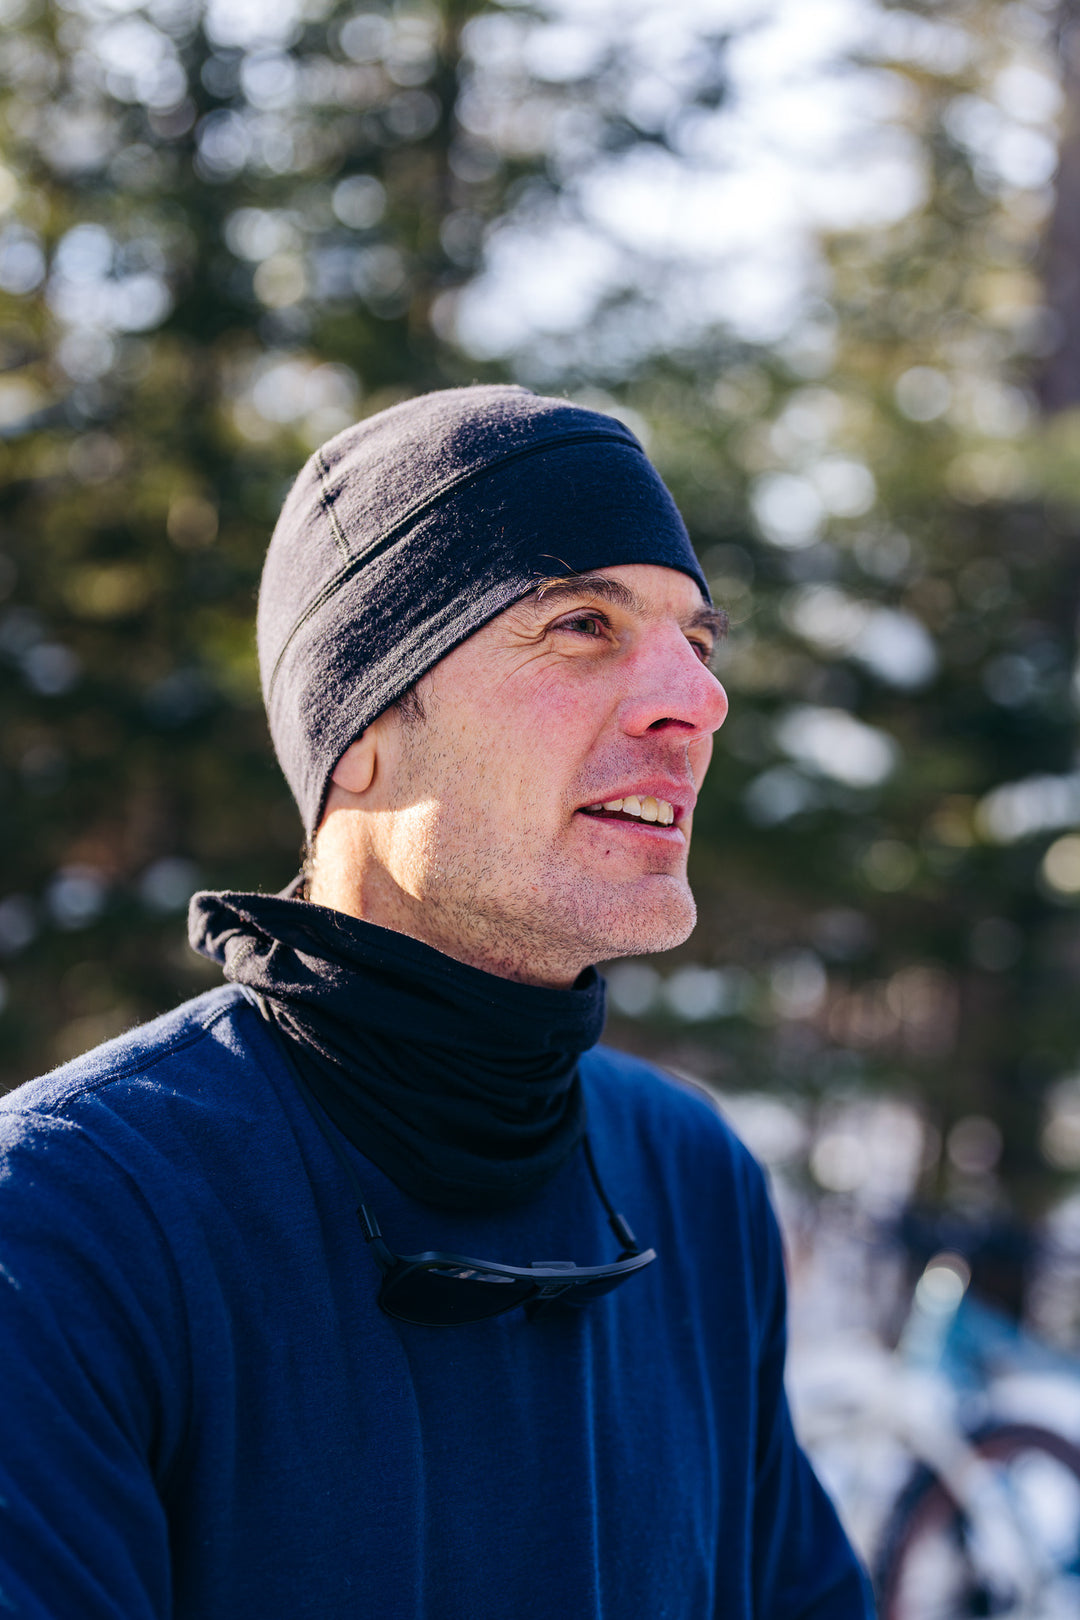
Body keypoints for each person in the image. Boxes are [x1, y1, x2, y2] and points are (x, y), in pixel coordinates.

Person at [0, 386, 872, 1617]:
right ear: (358, 728)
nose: (697, 699)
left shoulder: (692, 1185)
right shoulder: (68, 1226)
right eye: (581, 623)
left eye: (699, 641)